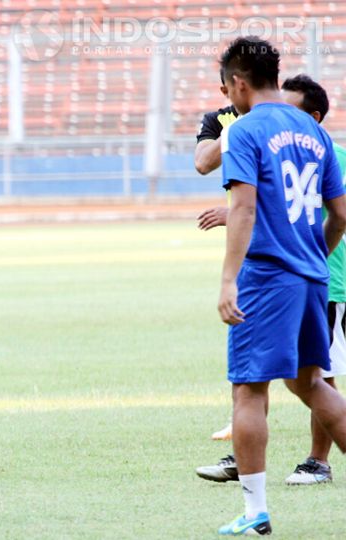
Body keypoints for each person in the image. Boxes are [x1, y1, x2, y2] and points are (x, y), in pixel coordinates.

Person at [212, 37, 346, 536]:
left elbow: (243, 208)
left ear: (239, 83)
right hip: (312, 275)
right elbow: (341, 215)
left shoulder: (245, 131)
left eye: (226, 87)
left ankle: (254, 512)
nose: (228, 95)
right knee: (311, 383)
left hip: (267, 278)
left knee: (249, 390)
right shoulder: (312, 133)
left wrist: (228, 279)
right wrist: (315, 256)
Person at [194, 71, 240, 442]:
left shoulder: (281, 119)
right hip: (247, 247)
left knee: (315, 371)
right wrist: (232, 130)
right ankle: (242, 426)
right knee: (243, 343)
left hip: (280, 247)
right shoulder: (220, 120)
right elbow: (202, 162)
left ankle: (318, 458)